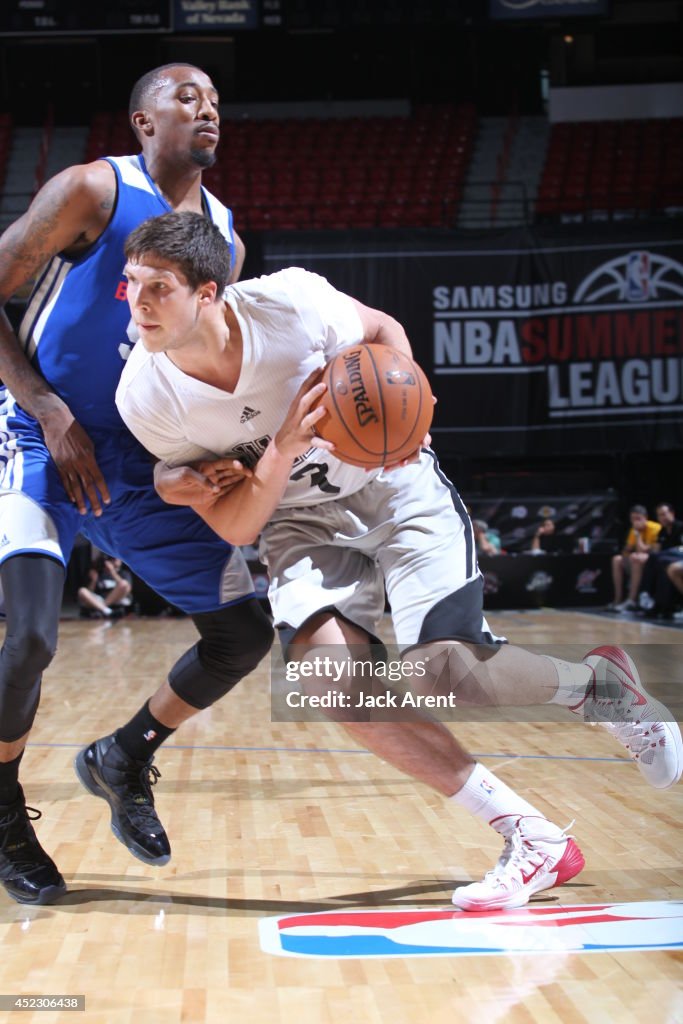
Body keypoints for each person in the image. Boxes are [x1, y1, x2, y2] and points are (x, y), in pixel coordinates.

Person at [116, 211, 682, 912]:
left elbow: (382, 333)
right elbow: (236, 521)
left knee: (446, 670)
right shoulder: (145, 395)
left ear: (209, 294)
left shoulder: (291, 302)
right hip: (295, 519)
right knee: (331, 684)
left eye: (157, 288)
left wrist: (404, 411)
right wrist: (286, 447)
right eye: (131, 284)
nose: (138, 305)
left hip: (392, 486)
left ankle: (600, 688)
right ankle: (530, 838)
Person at [0, 64, 275, 906]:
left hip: (144, 462)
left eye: (217, 102)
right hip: (44, 440)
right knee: (33, 639)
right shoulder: (90, 189)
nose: (206, 110)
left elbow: (208, 365)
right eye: (186, 97)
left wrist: (224, 452)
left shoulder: (223, 238)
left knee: (242, 634)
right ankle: (5, 818)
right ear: (141, 121)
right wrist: (45, 408)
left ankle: (124, 753)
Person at [609, 505, 661, 612]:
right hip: (637, 559)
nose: (635, 522)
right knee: (617, 559)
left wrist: (637, 535)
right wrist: (626, 555)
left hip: (653, 561)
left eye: (638, 519)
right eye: (633, 519)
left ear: (645, 517)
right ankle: (618, 599)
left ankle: (631, 600)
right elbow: (627, 549)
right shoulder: (633, 530)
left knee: (635, 558)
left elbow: (644, 550)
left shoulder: (655, 528)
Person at [637, 503, 683, 619]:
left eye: (664, 514)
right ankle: (657, 603)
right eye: (659, 516)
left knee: (656, 558)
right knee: (655, 559)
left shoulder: (680, 527)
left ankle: (645, 593)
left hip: (679, 556)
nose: (662, 518)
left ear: (672, 513)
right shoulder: (662, 532)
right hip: (667, 560)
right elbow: (656, 550)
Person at [78, 552, 133, 619]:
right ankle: (107, 611)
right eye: (113, 559)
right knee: (82, 591)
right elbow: (90, 592)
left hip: (116, 599)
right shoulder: (99, 573)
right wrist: (94, 580)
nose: (117, 560)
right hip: (99, 599)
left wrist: (112, 572)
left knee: (124, 583)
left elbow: (126, 588)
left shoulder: (124, 573)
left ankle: (103, 609)